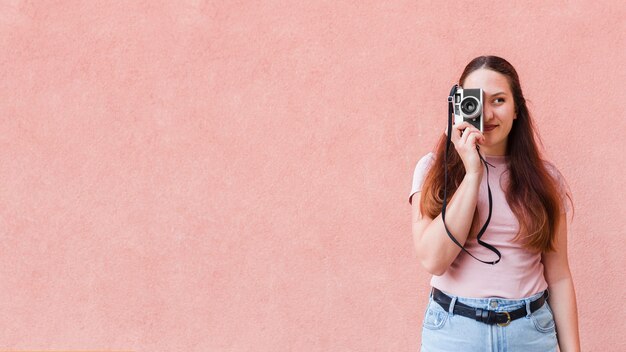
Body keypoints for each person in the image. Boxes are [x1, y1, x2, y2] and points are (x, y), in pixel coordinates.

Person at [408, 56, 581, 352]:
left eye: (499, 100)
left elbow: (559, 276)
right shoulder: (433, 170)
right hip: (454, 331)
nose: (487, 114)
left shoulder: (546, 179)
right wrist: (473, 172)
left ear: (517, 110)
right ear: (458, 106)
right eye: (475, 101)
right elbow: (434, 260)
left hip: (530, 331)